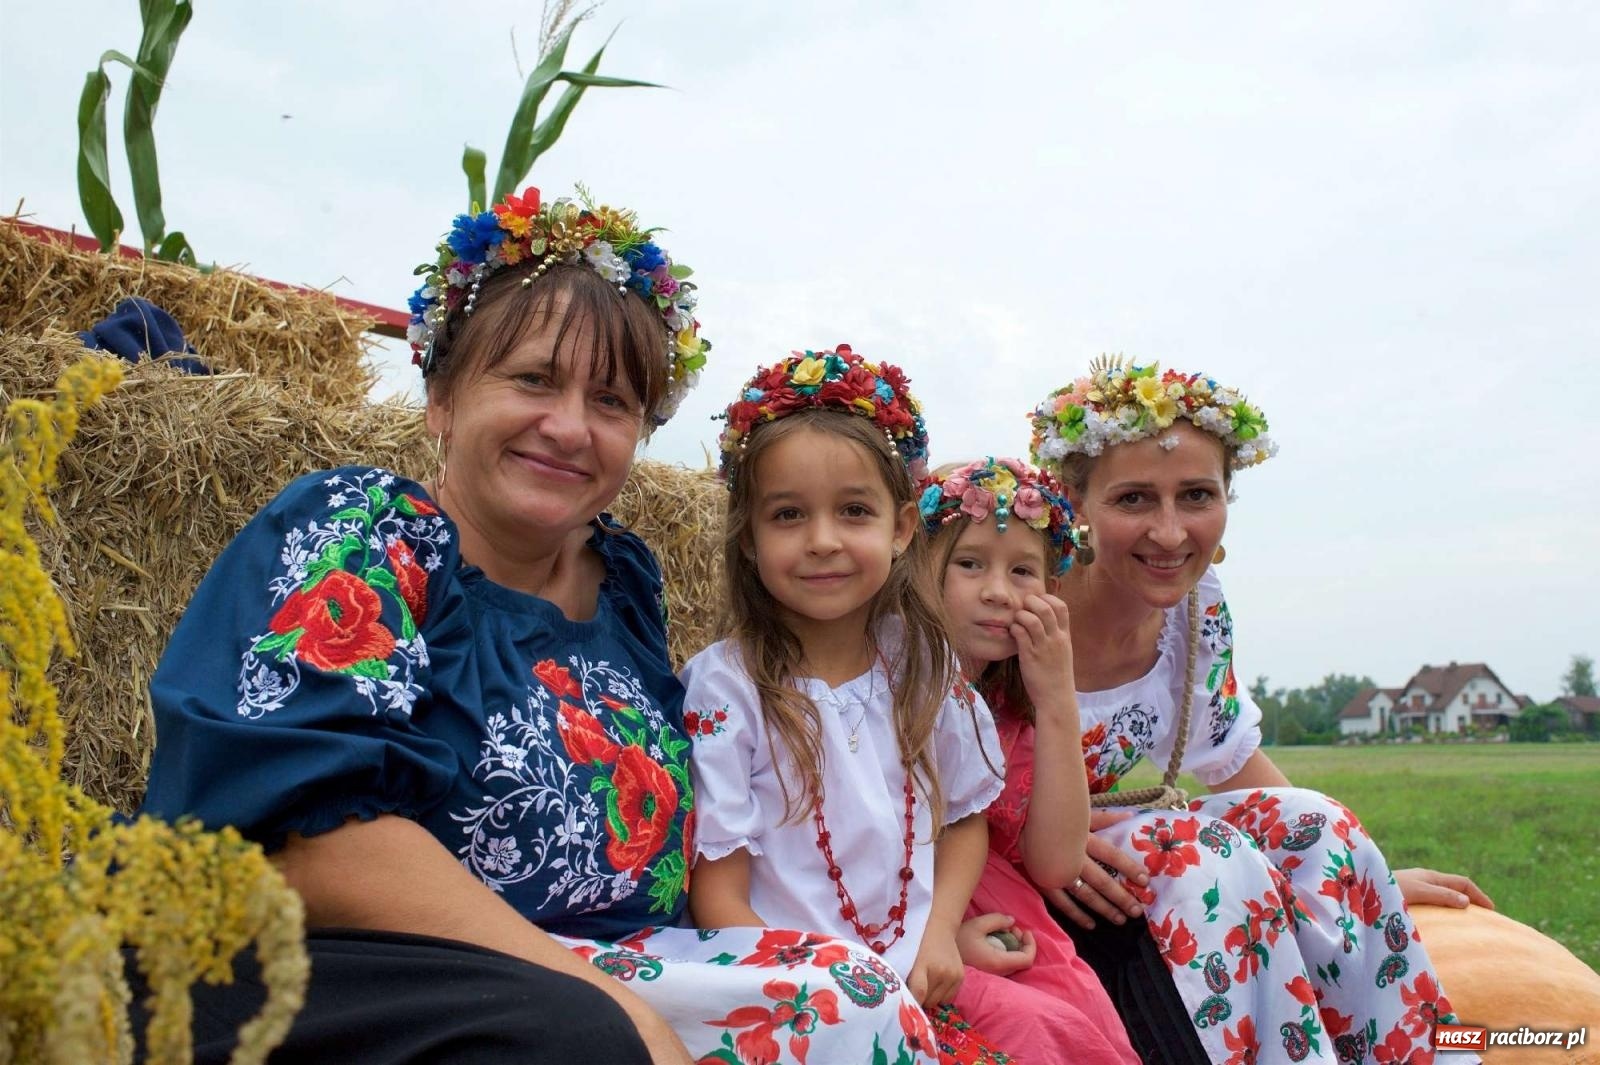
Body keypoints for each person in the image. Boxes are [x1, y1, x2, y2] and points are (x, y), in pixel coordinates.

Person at [136, 190, 941, 1065]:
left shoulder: (622, 580)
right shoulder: (366, 534)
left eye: (611, 401)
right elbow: (309, 842)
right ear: (443, 394)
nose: (569, 427)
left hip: (596, 974)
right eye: (531, 379)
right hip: (354, 974)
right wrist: (613, 1010)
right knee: (577, 1042)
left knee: (851, 1000)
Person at [1025, 357, 1489, 1065]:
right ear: (1074, 500)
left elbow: (1228, 755)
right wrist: (1035, 833)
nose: (1172, 532)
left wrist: (1359, 875)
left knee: (1319, 819)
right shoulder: (1020, 596)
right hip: (1022, 863)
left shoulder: (1196, 608)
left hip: (1104, 851)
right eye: (1134, 499)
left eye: (1197, 495)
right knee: (1193, 852)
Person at [682, 348, 1025, 1062]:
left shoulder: (923, 668)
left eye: (854, 510)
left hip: (907, 991)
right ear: (748, 537)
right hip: (789, 999)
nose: (824, 540)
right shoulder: (727, 689)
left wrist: (935, 931)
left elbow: (963, 817)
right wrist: (826, 989)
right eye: (788, 514)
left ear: (900, 528)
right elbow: (719, 896)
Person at [920, 456, 1141, 1064]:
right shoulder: (889, 695)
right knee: (1034, 1031)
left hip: (1018, 935)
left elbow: (1055, 863)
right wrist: (942, 937)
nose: (998, 590)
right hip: (920, 929)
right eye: (969, 564)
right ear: (916, 571)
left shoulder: (1014, 711)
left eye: (1023, 570)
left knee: (1076, 1020)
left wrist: (1056, 700)